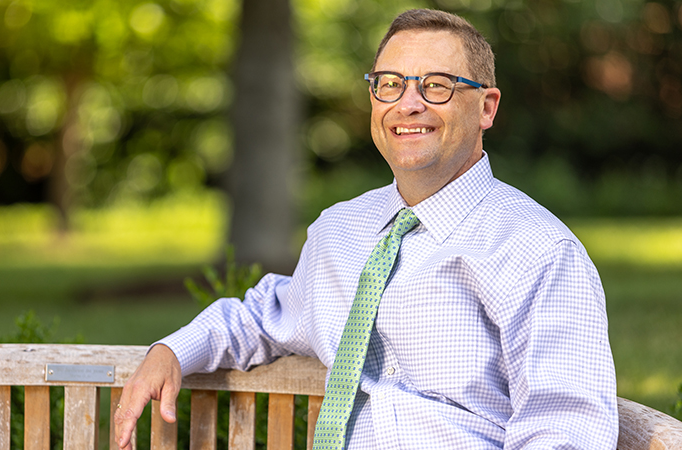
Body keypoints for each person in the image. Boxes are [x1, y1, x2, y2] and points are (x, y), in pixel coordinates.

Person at [114, 8, 618, 449]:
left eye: (437, 86)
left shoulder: (537, 251)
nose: (409, 103)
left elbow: (565, 431)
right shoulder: (340, 232)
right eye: (391, 84)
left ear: (486, 107)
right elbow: (263, 317)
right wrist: (172, 351)